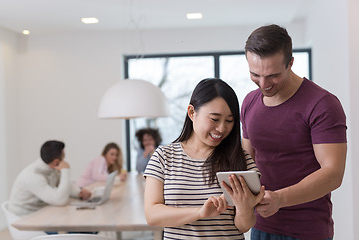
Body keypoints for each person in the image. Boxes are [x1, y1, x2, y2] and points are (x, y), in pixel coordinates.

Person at [241, 24, 347, 240]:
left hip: (307, 230)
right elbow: (246, 161)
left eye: (272, 75)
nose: (263, 84)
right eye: (255, 74)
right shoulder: (249, 102)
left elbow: (333, 174)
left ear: (290, 63)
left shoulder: (322, 104)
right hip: (261, 226)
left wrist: (280, 199)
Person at [144, 78, 265, 239]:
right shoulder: (163, 157)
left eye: (229, 121)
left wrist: (244, 208)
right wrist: (200, 212)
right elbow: (152, 215)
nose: (222, 128)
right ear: (192, 112)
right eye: (214, 119)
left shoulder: (242, 160)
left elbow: (244, 226)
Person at [9, 140, 91, 217]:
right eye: (63, 159)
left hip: (40, 212)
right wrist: (65, 170)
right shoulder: (33, 176)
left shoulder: (51, 168)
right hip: (25, 219)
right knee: (71, 218)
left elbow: (62, 185)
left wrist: (78, 192)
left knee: (75, 216)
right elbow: (60, 200)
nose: (64, 162)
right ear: (56, 161)